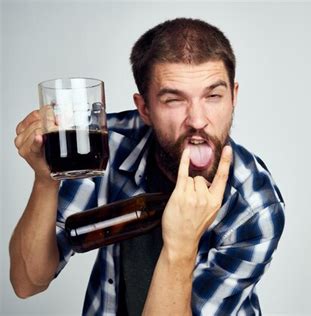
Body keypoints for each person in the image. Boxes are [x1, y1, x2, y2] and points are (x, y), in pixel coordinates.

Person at [9, 18, 285, 315]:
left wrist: (180, 246)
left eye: (213, 96)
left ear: (234, 97)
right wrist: (45, 178)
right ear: (145, 109)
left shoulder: (254, 205)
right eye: (173, 100)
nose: (197, 119)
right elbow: (27, 282)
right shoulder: (105, 149)